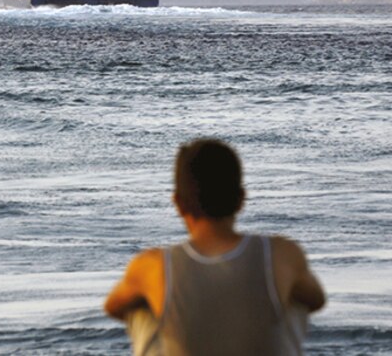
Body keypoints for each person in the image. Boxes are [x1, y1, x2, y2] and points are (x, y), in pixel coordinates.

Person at [104, 138, 326, 355]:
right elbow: (316, 300)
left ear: (179, 203)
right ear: (241, 199)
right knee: (290, 298)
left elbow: (113, 307)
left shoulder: (153, 265)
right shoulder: (281, 254)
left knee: (144, 309)